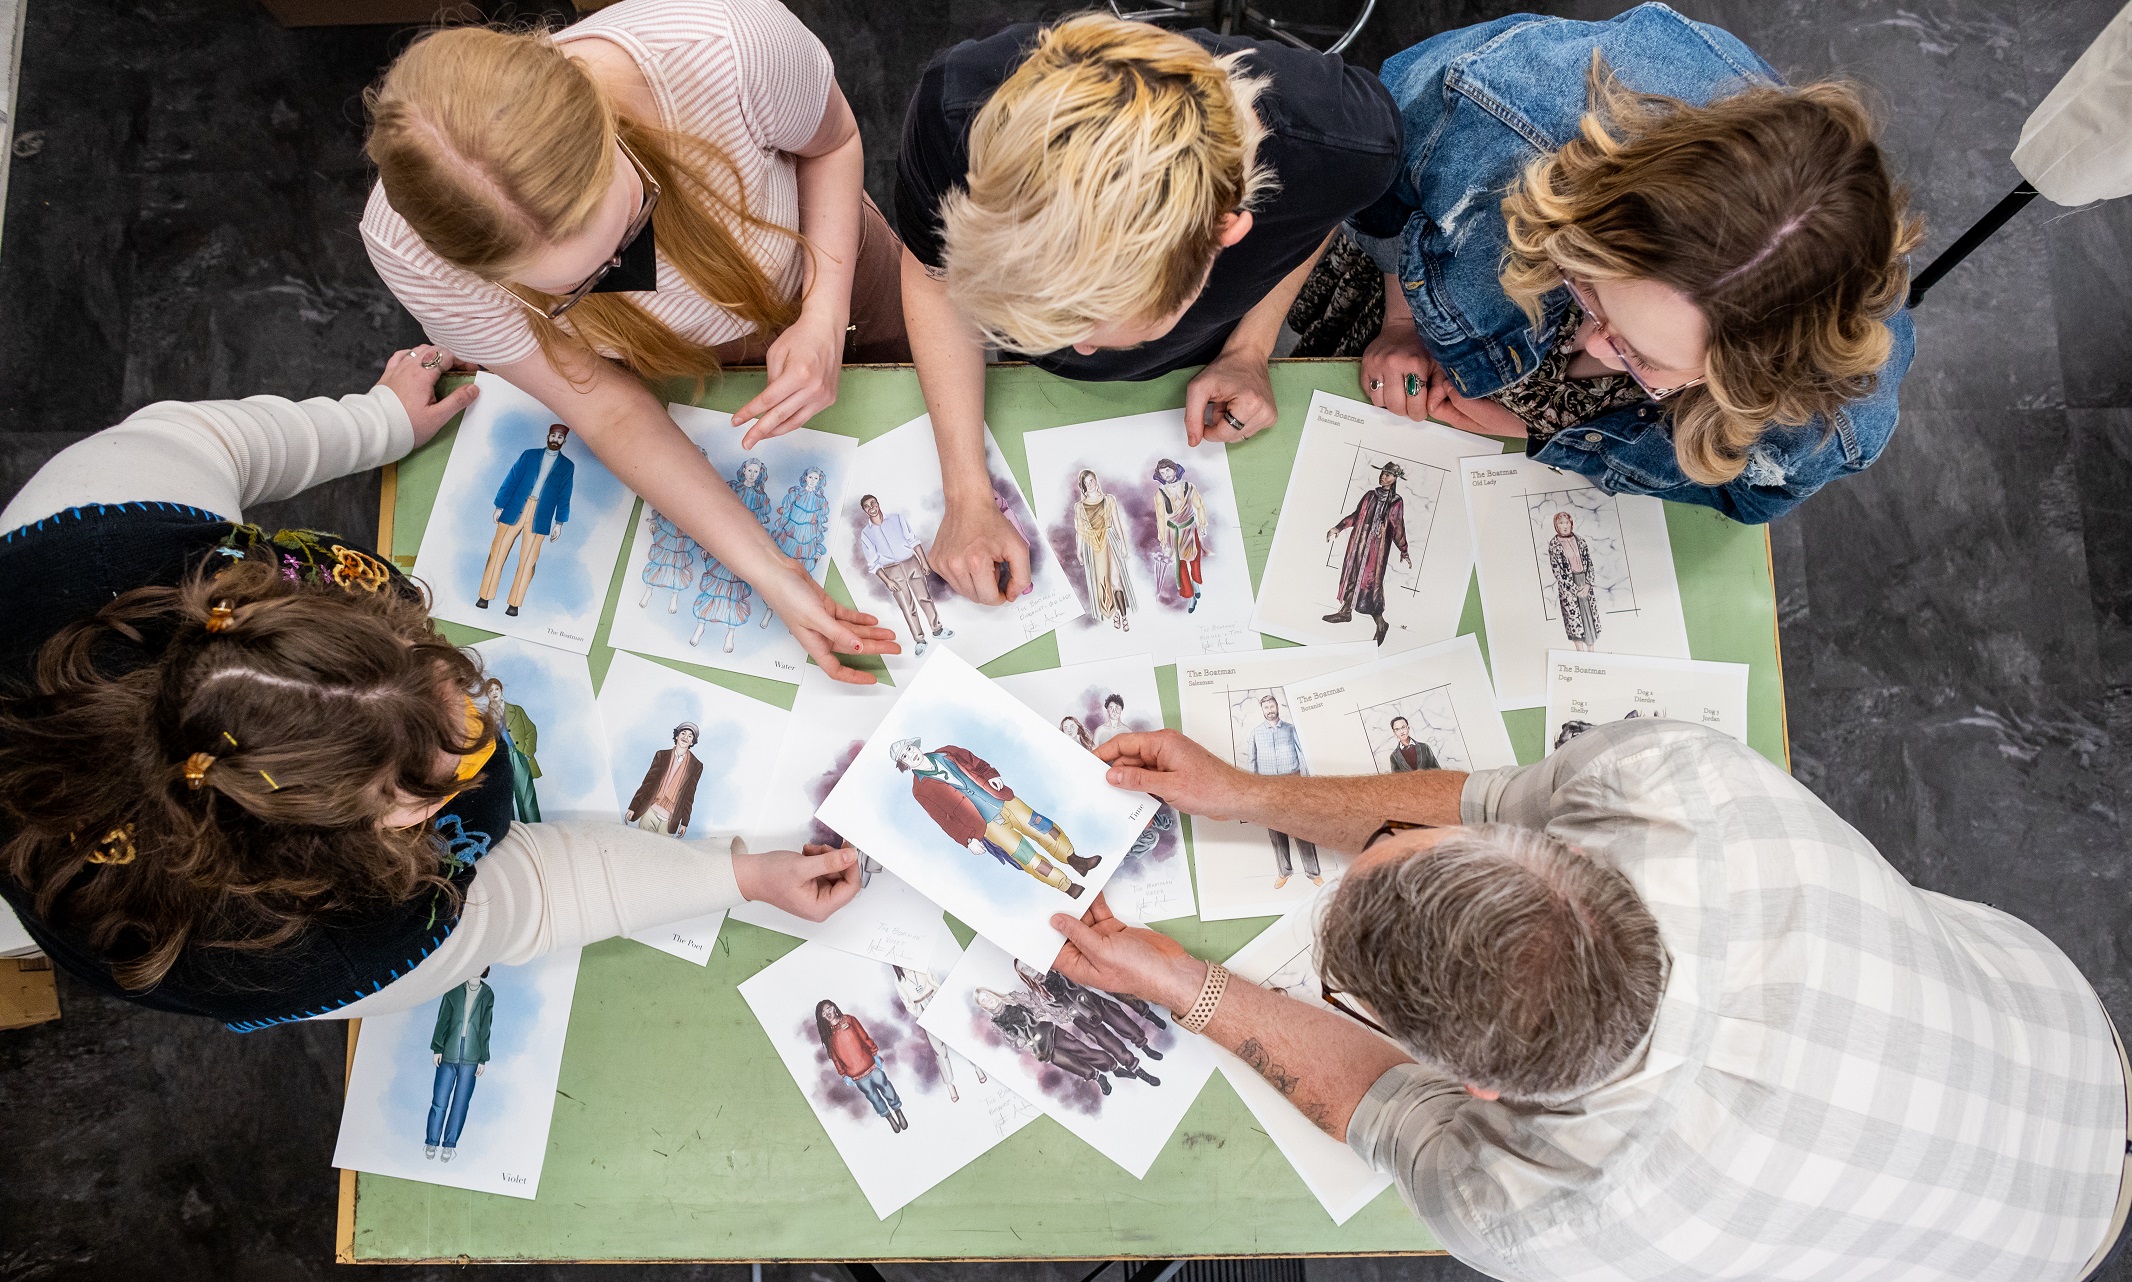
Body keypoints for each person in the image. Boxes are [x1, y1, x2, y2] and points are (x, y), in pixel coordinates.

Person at [1053, 720, 2132, 1281]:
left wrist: (1181, 984)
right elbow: (1484, 797)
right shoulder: (1676, 780)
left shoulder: (1541, 1217)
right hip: (2043, 1023)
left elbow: (1380, 1108)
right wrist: (1247, 796)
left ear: (1473, 1083)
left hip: (2024, 1245)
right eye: (1397, 840)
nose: (1373, 839)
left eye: (1386, 838)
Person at [0, 347, 860, 1030]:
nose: (480, 714)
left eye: (437, 678)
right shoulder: (319, 948)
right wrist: (737, 876)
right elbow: (538, 895)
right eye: (437, 776)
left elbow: (214, 440)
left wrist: (376, 421)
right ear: (338, 832)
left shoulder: (113, 524)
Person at [362, 1, 901, 680]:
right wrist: (770, 569)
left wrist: (824, 312)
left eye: (632, 219)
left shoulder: (733, 50)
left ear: (602, 124)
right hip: (658, 366)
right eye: (576, 288)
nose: (631, 270)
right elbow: (605, 406)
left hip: (828, 266)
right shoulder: (412, 250)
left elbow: (833, 140)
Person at [1328, 5, 1918, 524]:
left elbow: (1744, 498)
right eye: (1590, 293)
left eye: (1644, 360)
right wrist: (1402, 321)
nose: (1592, 346)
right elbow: (1375, 177)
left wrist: (1548, 437)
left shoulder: (1826, 433)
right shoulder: (1495, 105)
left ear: (1747, 384)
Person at [895, 13, 1402, 606]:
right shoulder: (954, 116)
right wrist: (967, 496)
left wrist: (1250, 346)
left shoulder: (1350, 140)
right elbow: (933, 274)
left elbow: (1325, 206)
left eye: (1096, 325)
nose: (1075, 347)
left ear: (1224, 233)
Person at [891, 737, 1098, 897]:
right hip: (986, 825)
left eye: (909, 749)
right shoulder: (920, 790)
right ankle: (1067, 886)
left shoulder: (948, 752)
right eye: (905, 757)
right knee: (1025, 855)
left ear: (915, 746)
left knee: (1043, 827)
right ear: (904, 765)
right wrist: (967, 840)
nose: (911, 755)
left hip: (1003, 799)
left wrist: (992, 775)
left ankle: (1075, 859)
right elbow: (944, 820)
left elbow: (978, 763)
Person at [477, 423, 574, 617]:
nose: (556, 440)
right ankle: (484, 596)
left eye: (560, 438)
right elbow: (511, 479)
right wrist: (499, 505)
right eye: (553, 436)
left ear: (564, 441)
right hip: (515, 508)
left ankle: (514, 604)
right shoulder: (529, 455)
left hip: (541, 515)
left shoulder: (567, 466)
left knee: (528, 560)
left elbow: (565, 495)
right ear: (548, 437)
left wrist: (560, 523)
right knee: (497, 552)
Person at [1323, 462, 1409, 647]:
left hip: (1376, 550)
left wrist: (1404, 549)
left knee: (1370, 584)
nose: (1384, 477)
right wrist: (1338, 527)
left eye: (1388, 475)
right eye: (1383, 474)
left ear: (1395, 479)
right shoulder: (1370, 495)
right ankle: (1345, 612)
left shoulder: (1396, 501)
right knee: (1353, 574)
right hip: (1359, 543)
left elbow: (1397, 526)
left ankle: (1381, 624)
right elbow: (1357, 515)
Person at [856, 495, 952, 653]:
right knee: (907, 607)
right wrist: (887, 581)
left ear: (878, 503)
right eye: (867, 506)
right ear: (865, 511)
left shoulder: (896, 519)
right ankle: (920, 640)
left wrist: (924, 562)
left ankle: (937, 630)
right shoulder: (866, 533)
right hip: (891, 571)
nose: (871, 507)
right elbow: (873, 562)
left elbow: (913, 540)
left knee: (924, 598)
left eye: (873, 503)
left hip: (911, 562)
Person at [691, 459, 768, 652]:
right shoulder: (731, 487)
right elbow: (715, 516)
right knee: (715, 587)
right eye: (749, 470)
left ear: (760, 475)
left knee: (734, 591)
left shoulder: (760, 497)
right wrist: (707, 542)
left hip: (744, 549)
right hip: (721, 543)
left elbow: (758, 527)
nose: (752, 474)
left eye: (756, 472)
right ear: (743, 470)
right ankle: (700, 626)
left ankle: (730, 635)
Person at [1246, 694, 1318, 889]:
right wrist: (1253, 788)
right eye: (1266, 707)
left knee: (1301, 827)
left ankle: (1313, 872)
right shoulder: (1255, 733)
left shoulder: (1290, 729)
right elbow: (1252, 761)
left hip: (1293, 783)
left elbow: (1302, 755)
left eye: (1272, 706)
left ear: (1278, 707)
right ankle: (1284, 871)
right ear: (1262, 710)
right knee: (1276, 831)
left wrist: (1307, 784)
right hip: (1268, 786)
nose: (1270, 710)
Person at [426, 968, 494, 1161]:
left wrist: (482, 1058)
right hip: (448, 1052)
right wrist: (437, 1048)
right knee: (439, 1101)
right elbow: (443, 1019)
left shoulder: (488, 994)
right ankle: (431, 1142)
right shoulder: (453, 989)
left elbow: (485, 1028)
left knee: (460, 1104)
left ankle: (449, 1145)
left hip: (472, 1057)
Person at [892, 965, 985, 1104]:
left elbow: (935, 983)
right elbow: (908, 1003)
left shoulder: (922, 967)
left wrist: (939, 999)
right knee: (939, 1049)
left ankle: (978, 1068)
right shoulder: (898, 981)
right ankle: (950, 1085)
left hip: (937, 1002)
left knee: (958, 1038)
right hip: (923, 1009)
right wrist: (920, 1012)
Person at [815, 999, 906, 1132]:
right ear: (821, 1017)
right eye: (823, 1012)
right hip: (856, 1075)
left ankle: (898, 1111)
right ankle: (889, 1118)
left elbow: (864, 1036)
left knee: (885, 1086)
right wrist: (843, 1074)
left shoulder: (850, 1020)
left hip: (870, 1064)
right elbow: (835, 1058)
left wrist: (874, 1053)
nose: (827, 1013)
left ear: (834, 1007)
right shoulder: (829, 1037)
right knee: (873, 1097)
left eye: (829, 1008)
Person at [1070, 471, 1136, 632]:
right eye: (1087, 482)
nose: (1091, 484)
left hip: (1109, 540)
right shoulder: (1079, 507)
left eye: (1093, 480)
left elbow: (1117, 522)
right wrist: (1079, 552)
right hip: (1092, 546)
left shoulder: (1109, 499)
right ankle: (1113, 613)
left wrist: (1123, 544)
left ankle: (1123, 616)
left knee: (1116, 580)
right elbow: (1080, 530)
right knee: (1102, 582)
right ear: (1084, 486)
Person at [481, 679, 544, 823]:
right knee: (504, 797)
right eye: (490, 691)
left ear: (501, 690)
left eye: (496, 689)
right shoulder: (485, 717)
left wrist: (527, 753)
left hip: (518, 755)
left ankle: (535, 829)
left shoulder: (516, 710)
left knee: (526, 795)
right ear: (487, 695)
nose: (494, 693)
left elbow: (531, 730)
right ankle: (510, 834)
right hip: (498, 760)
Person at [625, 723, 704, 837]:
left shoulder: (696, 766)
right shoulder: (661, 755)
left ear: (692, 742)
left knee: (662, 852)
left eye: (690, 736)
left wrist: (684, 823)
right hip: (650, 811)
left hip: (670, 820)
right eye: (683, 733)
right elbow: (647, 783)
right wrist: (633, 807)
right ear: (677, 736)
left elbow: (689, 795)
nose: (685, 737)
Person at [1151, 459, 1208, 614]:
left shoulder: (1189, 487)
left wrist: (1202, 524)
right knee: (1181, 563)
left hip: (1189, 528)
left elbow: (1199, 505)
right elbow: (1161, 517)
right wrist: (1163, 538)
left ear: (1175, 470)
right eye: (1162, 473)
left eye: (1168, 471)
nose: (1166, 475)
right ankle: (1191, 597)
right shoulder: (1160, 493)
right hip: (1173, 532)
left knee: (1194, 559)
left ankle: (1195, 584)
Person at [1548, 511, 1602, 650]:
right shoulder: (1554, 544)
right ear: (1556, 525)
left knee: (1589, 621)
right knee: (1576, 625)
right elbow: (1558, 572)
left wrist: (1588, 585)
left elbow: (1589, 563)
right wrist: (1574, 589)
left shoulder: (1581, 541)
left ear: (1571, 523)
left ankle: (1593, 655)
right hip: (1569, 588)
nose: (1564, 526)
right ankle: (1581, 657)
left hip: (1584, 583)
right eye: (1561, 523)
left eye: (1566, 522)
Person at [636, 506, 696, 613]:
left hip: (687, 528)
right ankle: (648, 591)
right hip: (670, 523)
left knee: (678, 565)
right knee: (659, 562)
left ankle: (674, 597)